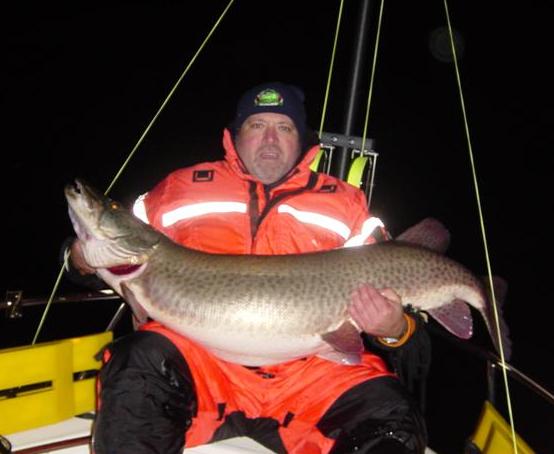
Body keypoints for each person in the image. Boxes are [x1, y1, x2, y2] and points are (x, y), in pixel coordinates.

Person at [67, 82, 428, 453]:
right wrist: (78, 257)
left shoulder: (346, 204)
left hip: (309, 372)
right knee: (136, 360)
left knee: (391, 416)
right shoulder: (180, 187)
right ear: (235, 134)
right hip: (203, 362)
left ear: (301, 138)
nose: (270, 140)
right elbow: (110, 246)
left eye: (284, 128)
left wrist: (395, 330)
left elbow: (401, 297)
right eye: (257, 126)